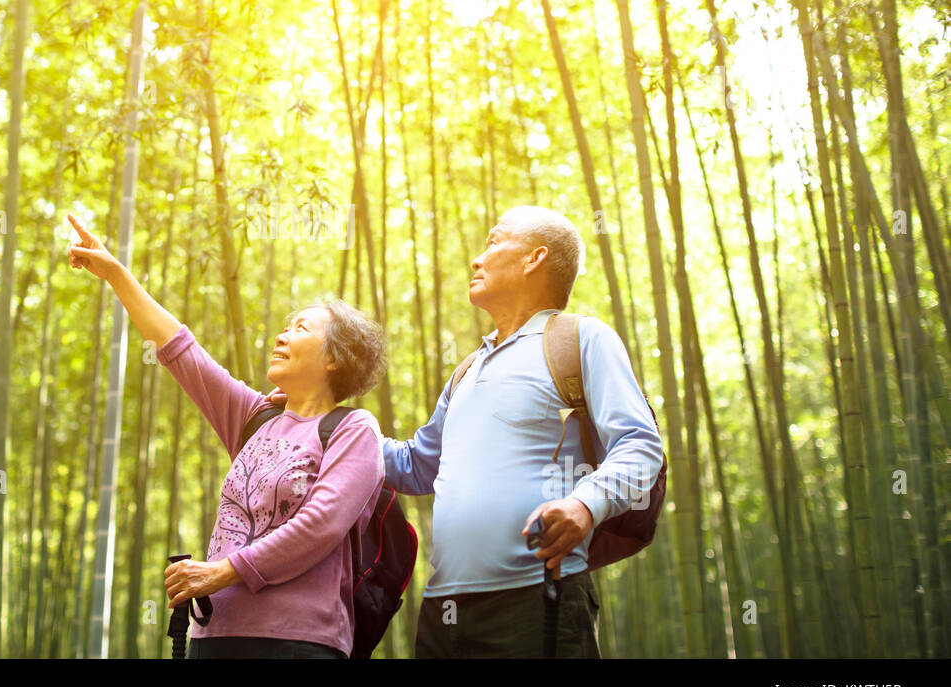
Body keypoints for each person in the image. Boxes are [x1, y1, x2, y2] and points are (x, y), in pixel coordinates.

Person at [66, 214, 386, 658]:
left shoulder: (354, 430)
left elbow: (322, 524)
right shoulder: (255, 418)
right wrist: (117, 275)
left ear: (335, 357)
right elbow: (180, 349)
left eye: (300, 328)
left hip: (298, 640)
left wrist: (223, 572)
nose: (281, 334)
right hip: (214, 635)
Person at [383, 205, 665, 658]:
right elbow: (415, 467)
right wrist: (324, 424)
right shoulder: (467, 370)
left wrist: (585, 504)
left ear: (534, 258)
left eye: (493, 241)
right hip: (443, 610)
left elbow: (640, 445)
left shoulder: (581, 338)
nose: (477, 259)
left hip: (538, 596)